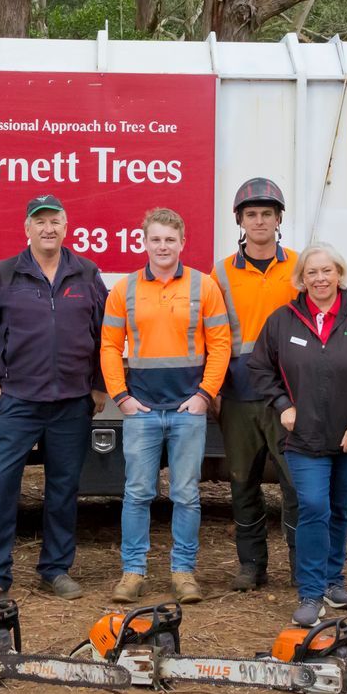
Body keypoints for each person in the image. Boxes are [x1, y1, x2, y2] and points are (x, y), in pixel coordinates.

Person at [0, 194, 109, 605]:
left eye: (55, 221)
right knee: (0, 485)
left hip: (71, 403)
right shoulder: (5, 274)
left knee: (63, 488)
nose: (48, 228)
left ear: (66, 226)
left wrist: (98, 385)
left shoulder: (86, 274)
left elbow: (108, 336)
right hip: (18, 402)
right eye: (39, 221)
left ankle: (55, 570)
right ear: (26, 228)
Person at [249, 244, 347, 628]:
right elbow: (260, 368)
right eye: (312, 272)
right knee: (314, 507)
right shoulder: (283, 320)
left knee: (340, 511)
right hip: (304, 438)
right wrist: (283, 405)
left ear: (339, 274)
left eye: (327, 270)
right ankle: (311, 592)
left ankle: (333, 580)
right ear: (301, 279)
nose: (320, 278)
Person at [102, 208, 232, 605]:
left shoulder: (204, 286)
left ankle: (183, 572)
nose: (162, 246)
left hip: (185, 410)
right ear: (144, 242)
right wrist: (122, 398)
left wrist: (204, 395)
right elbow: (109, 346)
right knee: (137, 493)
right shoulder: (123, 289)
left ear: (182, 243)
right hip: (141, 410)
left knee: (186, 495)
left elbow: (221, 344)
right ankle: (133, 572)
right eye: (155, 239)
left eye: (169, 240)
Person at [214, 178, 302, 591]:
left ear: (279, 219)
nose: (260, 221)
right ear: (240, 221)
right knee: (242, 481)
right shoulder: (220, 273)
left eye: (267, 213)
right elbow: (209, 336)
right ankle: (252, 566)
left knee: (295, 483)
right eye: (252, 214)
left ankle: (303, 566)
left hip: (290, 395)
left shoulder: (300, 267)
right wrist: (212, 387)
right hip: (239, 393)